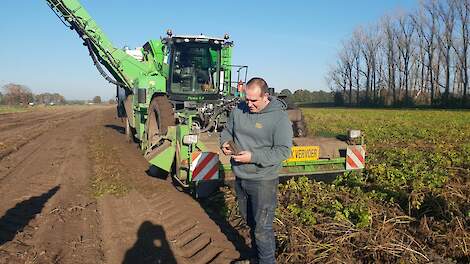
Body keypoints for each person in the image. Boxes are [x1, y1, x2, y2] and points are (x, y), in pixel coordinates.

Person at [220, 77, 293, 264]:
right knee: (250, 223)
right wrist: (225, 144)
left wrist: (253, 157)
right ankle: (256, 258)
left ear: (266, 96)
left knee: (262, 228)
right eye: (247, 100)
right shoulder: (239, 110)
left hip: (263, 180)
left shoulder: (279, 118)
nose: (249, 104)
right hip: (241, 177)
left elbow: (284, 151)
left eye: (254, 101)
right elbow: (227, 131)